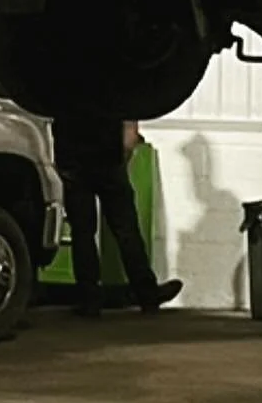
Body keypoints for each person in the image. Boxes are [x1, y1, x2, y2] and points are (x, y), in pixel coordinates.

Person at [52, 112, 182, 319]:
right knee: (126, 229)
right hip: (106, 155)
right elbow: (127, 118)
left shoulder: (64, 90)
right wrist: (126, 148)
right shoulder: (110, 90)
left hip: (72, 155)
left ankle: (89, 298)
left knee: (82, 232)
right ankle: (146, 293)